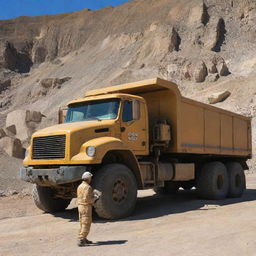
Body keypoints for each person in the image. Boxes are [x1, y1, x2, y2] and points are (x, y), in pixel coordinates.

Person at [77, 171, 100, 247]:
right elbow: (87, 199)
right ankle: (81, 239)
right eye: (90, 178)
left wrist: (92, 193)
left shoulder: (80, 186)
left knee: (82, 223)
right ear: (88, 178)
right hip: (86, 206)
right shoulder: (87, 187)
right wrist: (95, 198)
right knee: (86, 223)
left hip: (80, 206)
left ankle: (84, 238)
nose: (91, 179)